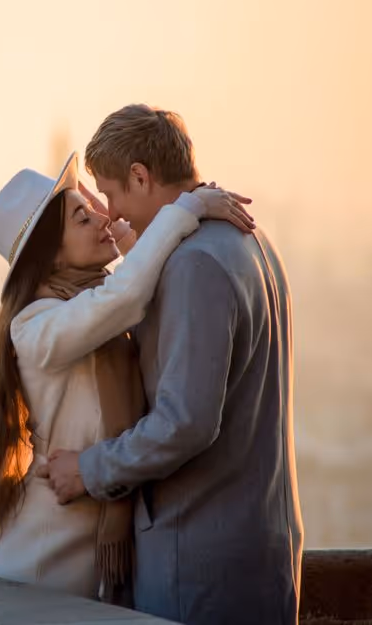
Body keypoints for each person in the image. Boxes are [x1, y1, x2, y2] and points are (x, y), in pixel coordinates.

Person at [43, 104, 303, 625]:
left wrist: (88, 470)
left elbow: (185, 422)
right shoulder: (248, 240)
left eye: (112, 194)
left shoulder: (194, 265)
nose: (111, 214)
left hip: (201, 560)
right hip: (252, 546)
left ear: (141, 176)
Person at [0, 149, 252, 600]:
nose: (102, 220)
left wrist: (134, 244)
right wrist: (182, 211)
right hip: (41, 562)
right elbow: (125, 298)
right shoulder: (36, 327)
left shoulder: (86, 308)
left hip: (92, 555)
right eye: (83, 219)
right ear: (51, 258)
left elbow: (129, 301)